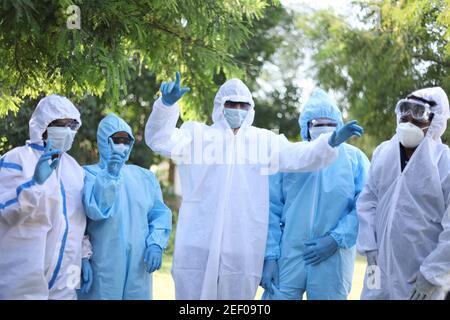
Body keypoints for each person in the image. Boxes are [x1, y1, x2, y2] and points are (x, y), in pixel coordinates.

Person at [145, 72, 364, 299]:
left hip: (241, 248)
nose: (237, 109)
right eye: (231, 103)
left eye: (243, 104)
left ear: (251, 108)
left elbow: (299, 155)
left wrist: (330, 141)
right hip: (198, 244)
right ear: (220, 105)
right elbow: (159, 139)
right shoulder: (197, 136)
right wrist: (166, 106)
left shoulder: (263, 141)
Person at [260, 88, 370, 300]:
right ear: (306, 127)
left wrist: (335, 239)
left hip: (334, 257)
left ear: (339, 126)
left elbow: (364, 206)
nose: (324, 129)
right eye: (317, 124)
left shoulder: (355, 160)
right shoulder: (291, 157)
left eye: (330, 124)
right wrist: (270, 256)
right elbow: (271, 208)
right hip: (289, 253)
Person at [357, 87, 450, 300]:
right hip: (376, 266)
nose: (409, 117)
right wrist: (369, 246)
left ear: (435, 120)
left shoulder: (444, 163)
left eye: (419, 112)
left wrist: (432, 275)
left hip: (419, 276)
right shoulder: (383, 152)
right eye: (405, 109)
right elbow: (367, 201)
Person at [0, 94, 91, 299]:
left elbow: (77, 220)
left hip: (65, 280)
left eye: (72, 125)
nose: (67, 131)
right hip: (21, 279)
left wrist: (84, 255)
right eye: (61, 124)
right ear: (44, 125)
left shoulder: (75, 170)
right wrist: (34, 184)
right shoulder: (17, 159)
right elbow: (5, 211)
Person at [78, 113, 172, 300]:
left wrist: (155, 243)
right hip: (103, 265)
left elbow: (159, 214)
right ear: (104, 141)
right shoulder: (87, 175)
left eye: (126, 140)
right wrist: (82, 256)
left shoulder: (145, 177)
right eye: (116, 139)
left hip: (139, 265)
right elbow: (91, 213)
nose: (121, 144)